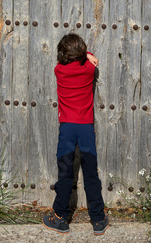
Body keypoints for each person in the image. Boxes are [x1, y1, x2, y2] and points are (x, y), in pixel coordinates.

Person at [43, 33, 109, 236]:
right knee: (90, 172)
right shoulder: (89, 70)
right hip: (86, 127)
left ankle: (61, 218)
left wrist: (83, 54)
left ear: (62, 53)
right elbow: (91, 60)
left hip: (67, 128)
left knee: (65, 172)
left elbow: (68, 59)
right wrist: (88, 54)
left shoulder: (59, 70)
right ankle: (98, 219)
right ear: (81, 53)